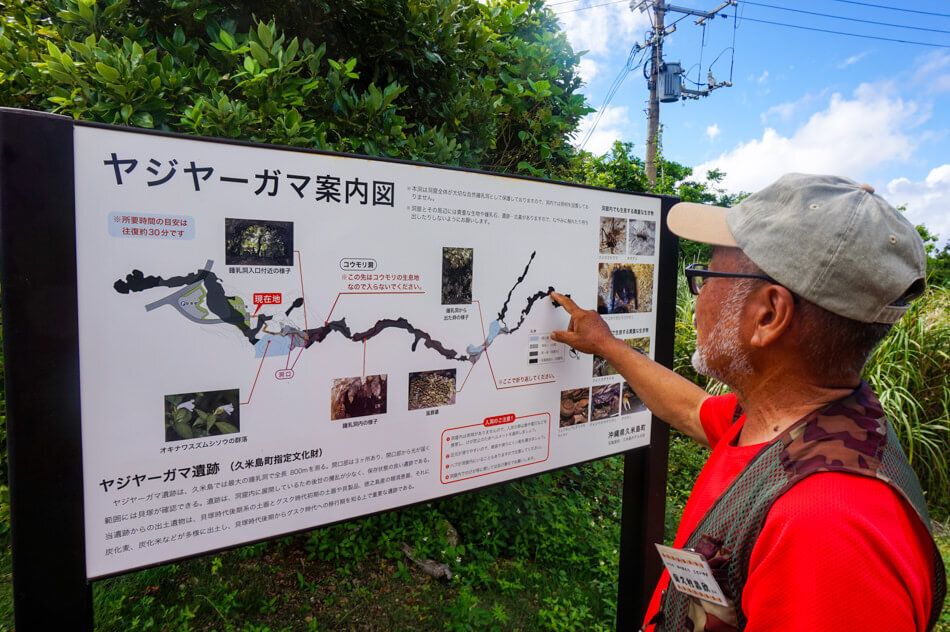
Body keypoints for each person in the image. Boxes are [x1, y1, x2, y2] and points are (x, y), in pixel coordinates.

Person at [549, 173, 946, 632]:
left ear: (769, 314)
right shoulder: (797, 421)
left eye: (706, 276)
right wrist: (609, 346)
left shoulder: (828, 530)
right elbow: (689, 408)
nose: (697, 303)